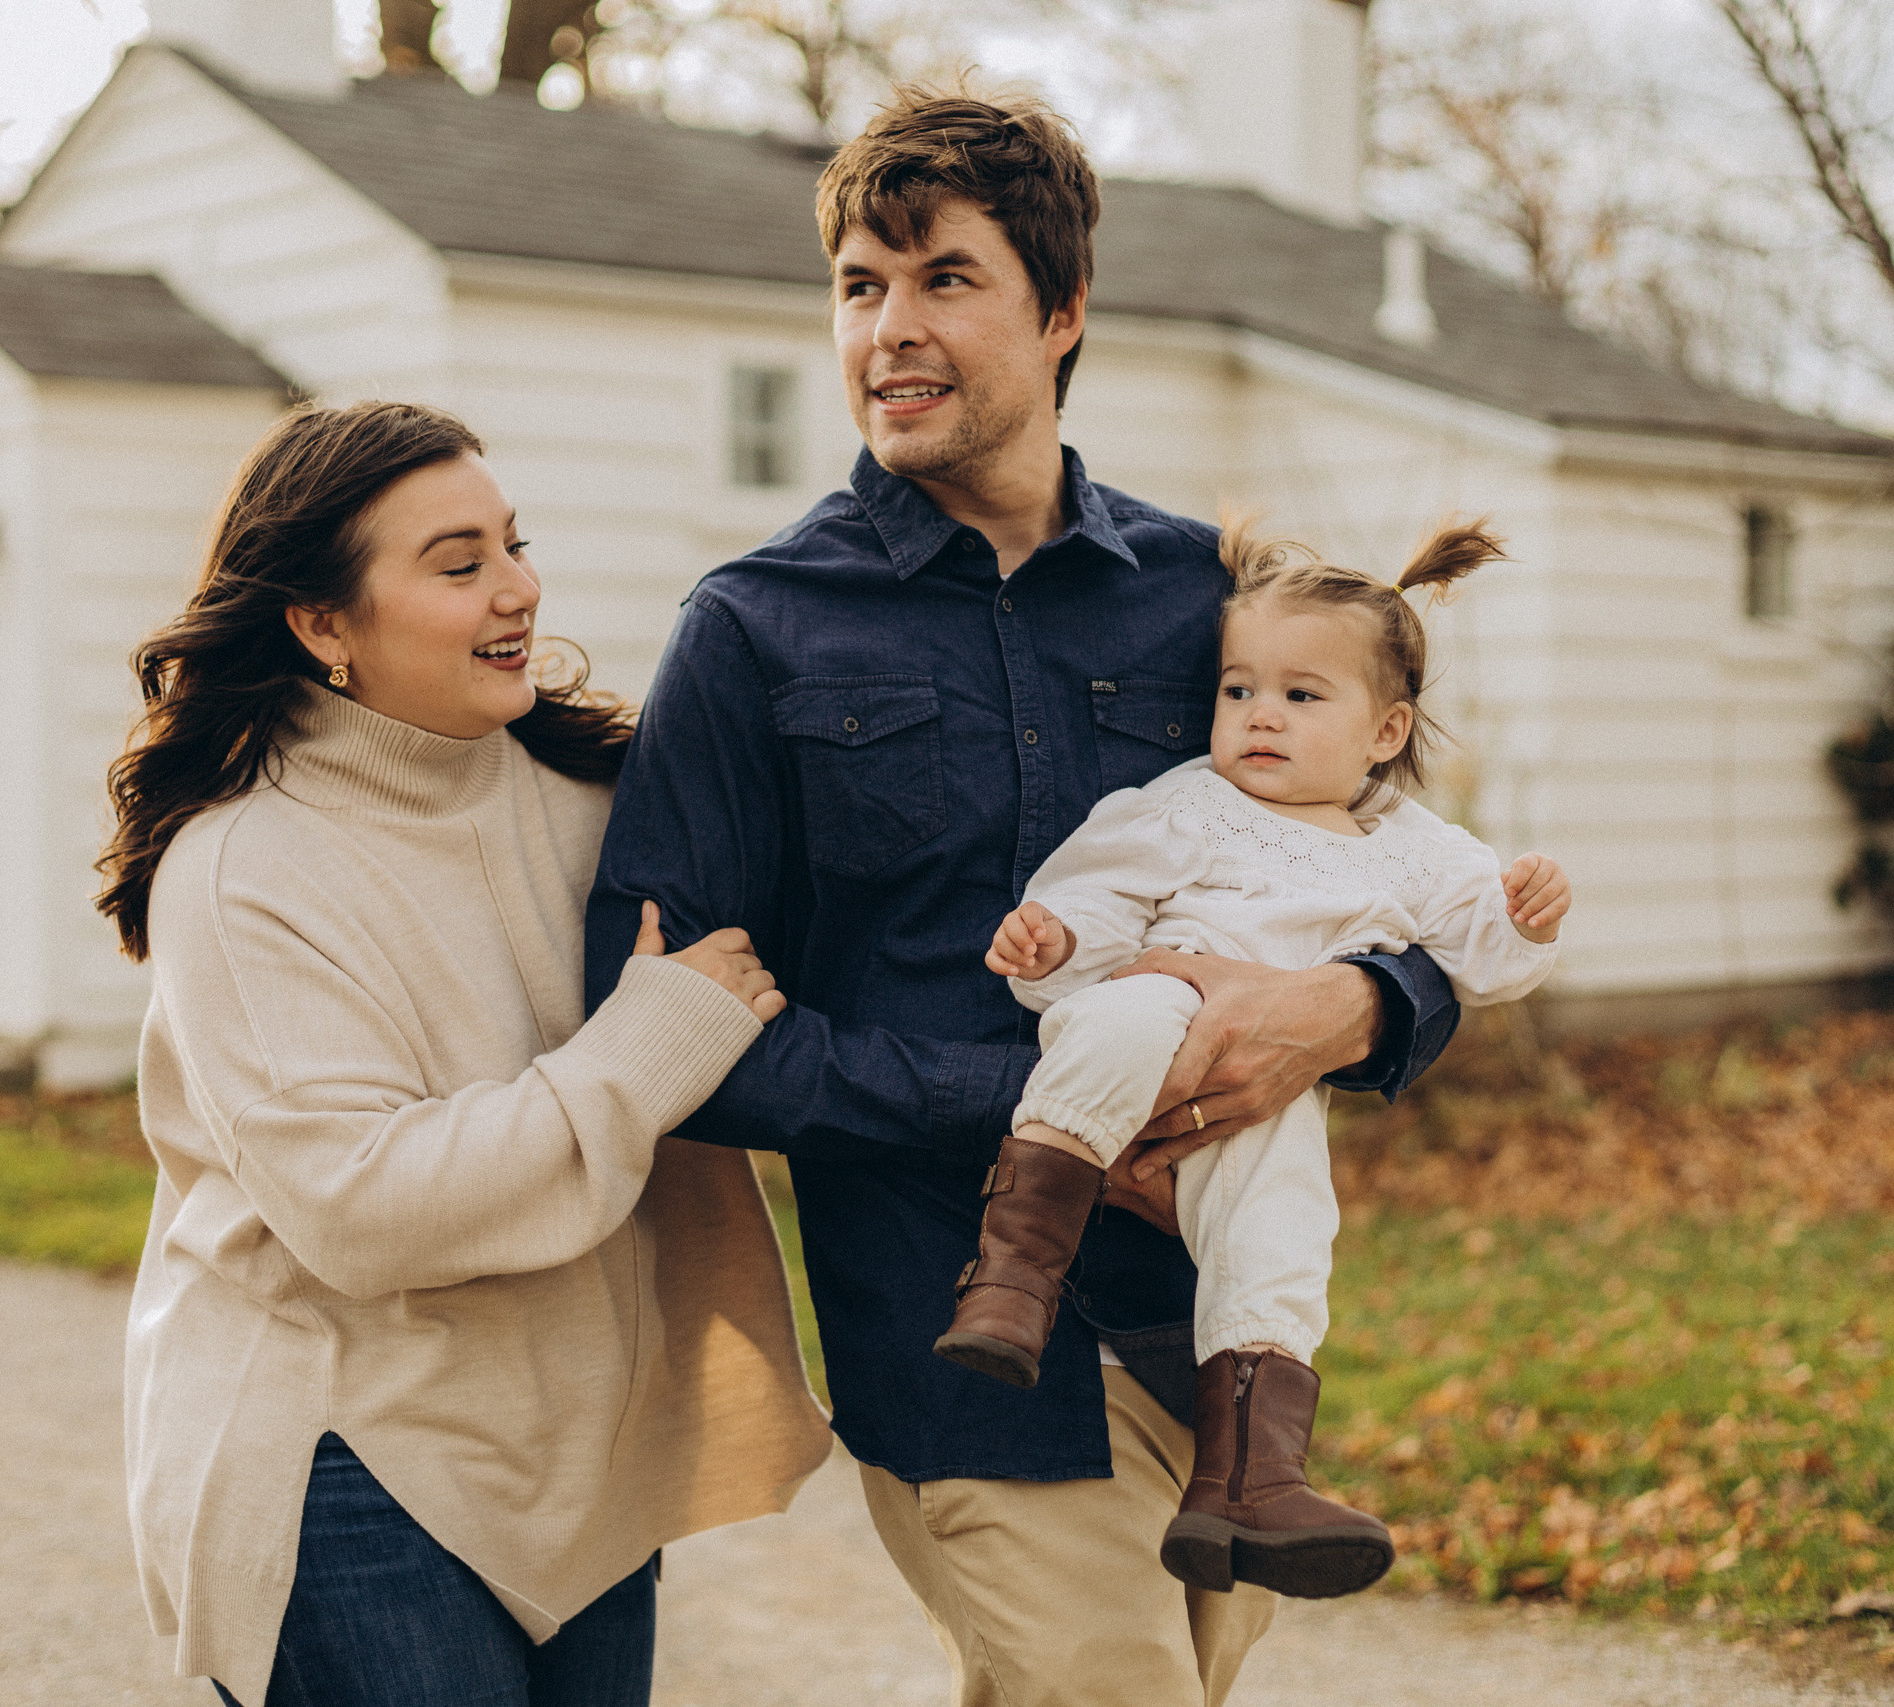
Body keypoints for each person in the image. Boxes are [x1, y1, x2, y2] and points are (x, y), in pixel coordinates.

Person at [583, 88, 1460, 1706]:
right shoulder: (756, 629)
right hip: (951, 1333)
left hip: (1214, 1334)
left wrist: (1350, 1007)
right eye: (860, 285)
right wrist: (1043, 1106)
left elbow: (1395, 877)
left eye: (943, 280)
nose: (889, 331)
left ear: (1062, 314)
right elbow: (665, 1025)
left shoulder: (1208, 596)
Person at [97, 400, 831, 1707]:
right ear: (322, 624)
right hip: (346, 1467)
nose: (518, 587)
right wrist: (647, 1043)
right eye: (457, 562)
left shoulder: (599, 799)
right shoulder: (239, 870)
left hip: (585, 1457)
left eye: (513, 543)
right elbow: (361, 1209)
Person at [956, 517, 1572, 1599]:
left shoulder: (1413, 847)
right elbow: (1096, 893)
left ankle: (1248, 1477)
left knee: (1282, 1225)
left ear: (1384, 732)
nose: (1258, 717)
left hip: (1263, 1096)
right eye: (1239, 690)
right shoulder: (1185, 802)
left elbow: (1481, 951)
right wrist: (1052, 938)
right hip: (1158, 1003)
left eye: (1300, 695)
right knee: (1124, 1019)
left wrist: (1523, 914)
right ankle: (1013, 1275)